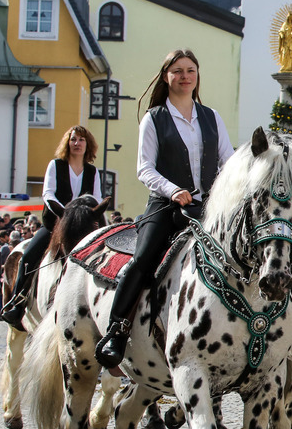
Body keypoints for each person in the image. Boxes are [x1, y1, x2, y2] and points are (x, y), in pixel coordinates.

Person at [94, 49, 234, 367]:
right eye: (177, 71)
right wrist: (173, 190)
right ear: (166, 77)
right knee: (143, 260)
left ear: (197, 76)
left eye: (190, 70)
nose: (185, 76)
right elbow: (145, 169)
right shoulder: (154, 118)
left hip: (208, 208)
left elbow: (228, 161)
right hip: (165, 206)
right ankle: (117, 330)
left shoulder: (212, 117)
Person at [1, 126, 103, 329]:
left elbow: (97, 197)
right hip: (55, 224)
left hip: (81, 229)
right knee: (29, 255)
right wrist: (64, 211)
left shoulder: (92, 171)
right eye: (73, 139)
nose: (77, 143)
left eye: (81, 140)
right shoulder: (55, 165)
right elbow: (48, 193)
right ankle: (17, 302)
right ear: (68, 143)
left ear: (87, 144)